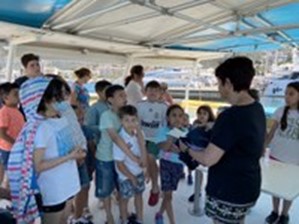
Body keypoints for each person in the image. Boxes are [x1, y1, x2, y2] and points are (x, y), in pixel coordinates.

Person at [180, 57, 266, 224]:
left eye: (219, 84)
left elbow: (207, 159)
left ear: (228, 83)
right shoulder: (257, 108)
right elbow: (255, 145)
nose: (218, 89)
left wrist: (186, 149)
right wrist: (216, 128)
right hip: (249, 185)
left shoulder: (229, 117)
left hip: (228, 191)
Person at [7, 77, 85, 224]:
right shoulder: (41, 128)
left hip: (69, 183)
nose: (63, 99)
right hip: (53, 189)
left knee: (64, 220)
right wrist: (70, 156)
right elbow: (39, 165)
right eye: (58, 96)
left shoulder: (60, 119)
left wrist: (76, 153)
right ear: (43, 99)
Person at [95, 85, 145, 224]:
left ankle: (124, 214)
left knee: (121, 188)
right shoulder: (106, 115)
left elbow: (137, 134)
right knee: (106, 189)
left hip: (122, 158)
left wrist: (142, 158)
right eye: (121, 96)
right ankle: (109, 216)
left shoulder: (124, 115)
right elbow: (116, 138)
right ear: (110, 99)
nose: (125, 98)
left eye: (125, 95)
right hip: (106, 158)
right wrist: (134, 158)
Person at [265, 81, 299, 224]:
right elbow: (271, 133)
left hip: (295, 160)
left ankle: (284, 214)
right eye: (286, 93)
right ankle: (274, 211)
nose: (286, 96)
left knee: (288, 189)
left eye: (291, 94)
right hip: (276, 155)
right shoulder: (280, 110)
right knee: (275, 186)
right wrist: (263, 147)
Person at [113, 105, 147, 224]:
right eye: (126, 120)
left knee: (139, 196)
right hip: (126, 176)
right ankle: (124, 219)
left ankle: (139, 219)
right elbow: (119, 164)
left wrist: (145, 169)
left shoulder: (139, 133)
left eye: (133, 120)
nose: (130, 123)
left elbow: (143, 151)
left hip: (139, 172)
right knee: (124, 200)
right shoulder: (120, 139)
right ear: (121, 121)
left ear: (137, 120)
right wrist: (131, 177)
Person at [137, 81, 167, 206]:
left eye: (156, 90)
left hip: (156, 139)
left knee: (150, 157)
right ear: (145, 91)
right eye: (150, 89)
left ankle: (155, 188)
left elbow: (166, 125)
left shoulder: (164, 107)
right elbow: (135, 123)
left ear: (161, 93)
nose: (153, 92)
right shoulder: (139, 105)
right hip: (141, 138)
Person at [154, 104, 185, 224]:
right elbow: (165, 147)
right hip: (166, 165)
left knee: (169, 195)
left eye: (180, 116)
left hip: (178, 166)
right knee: (168, 196)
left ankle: (160, 213)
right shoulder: (163, 131)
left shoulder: (186, 132)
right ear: (167, 118)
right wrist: (174, 135)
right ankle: (172, 221)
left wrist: (179, 148)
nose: (177, 118)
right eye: (174, 115)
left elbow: (185, 150)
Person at [187, 105, 215, 201]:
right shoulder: (195, 123)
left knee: (203, 172)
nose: (201, 116)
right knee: (195, 169)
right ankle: (192, 180)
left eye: (204, 113)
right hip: (195, 151)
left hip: (207, 153)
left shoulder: (212, 125)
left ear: (209, 115)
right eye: (199, 113)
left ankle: (204, 192)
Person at [0, 83, 25, 186]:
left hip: (16, 148)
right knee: (9, 174)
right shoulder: (4, 112)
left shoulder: (17, 111)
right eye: (15, 94)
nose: (19, 96)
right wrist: (15, 143)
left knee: (15, 173)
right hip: (8, 149)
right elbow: (2, 133)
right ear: (6, 97)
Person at [84, 80, 112, 144]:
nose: (110, 93)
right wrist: (106, 129)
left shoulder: (113, 105)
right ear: (99, 92)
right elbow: (89, 127)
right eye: (107, 91)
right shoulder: (94, 108)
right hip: (101, 142)